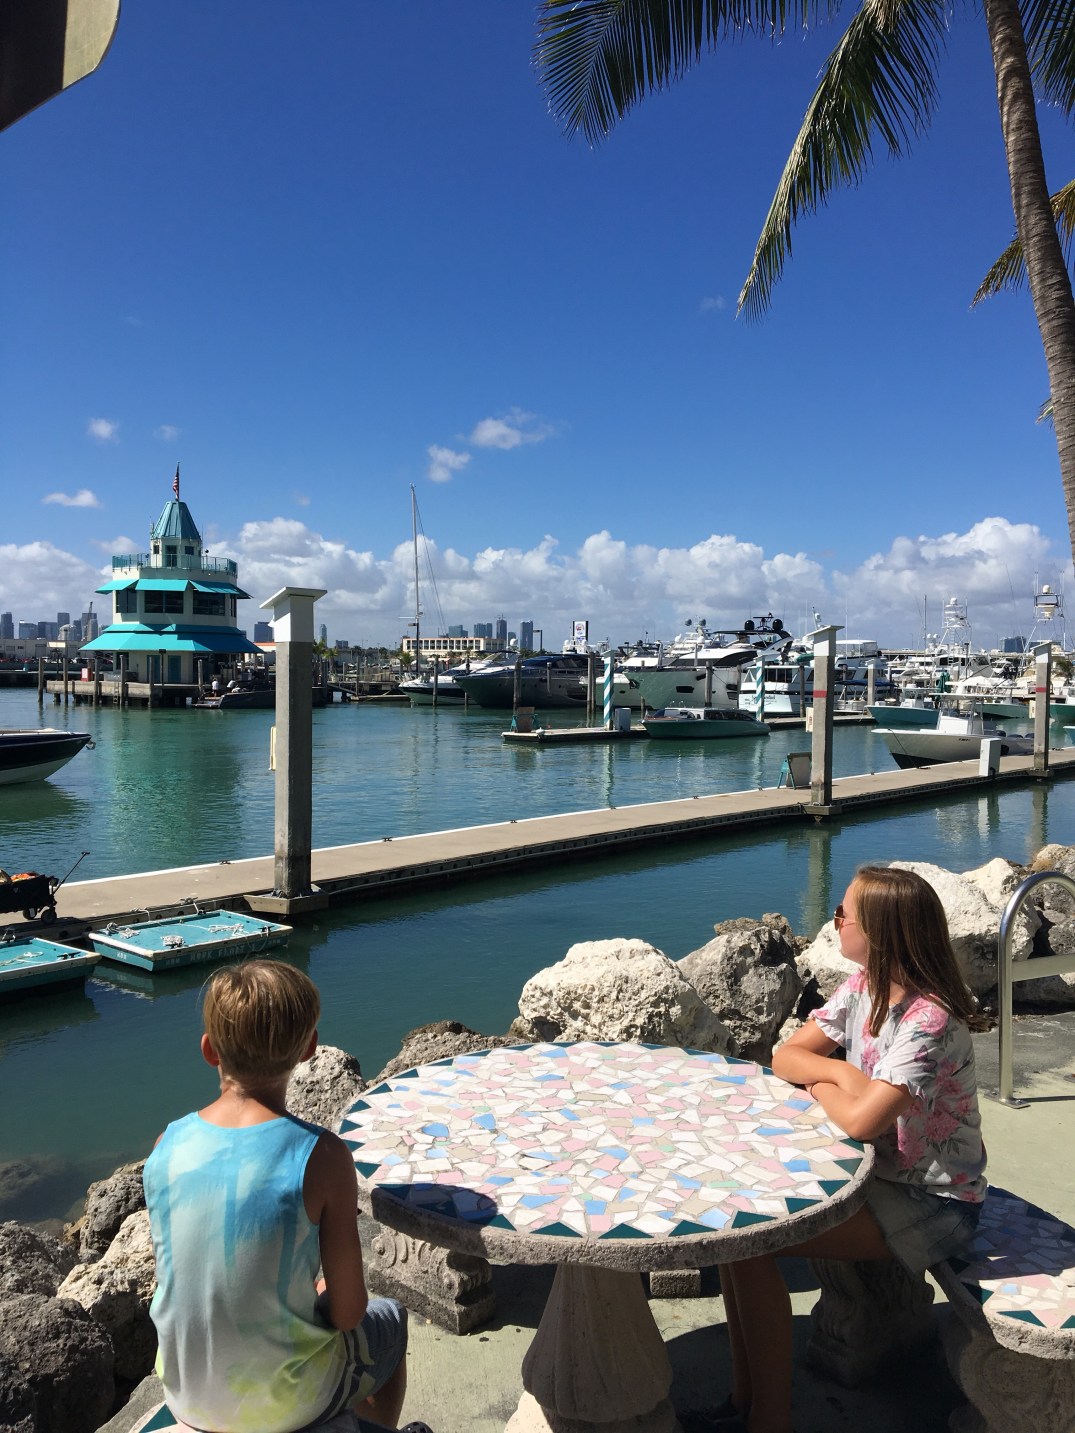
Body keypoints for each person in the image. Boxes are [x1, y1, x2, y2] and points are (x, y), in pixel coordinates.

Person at [715, 865, 988, 1433]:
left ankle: (768, 1420)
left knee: (748, 1244)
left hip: (934, 1200)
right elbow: (786, 1057)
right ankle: (741, 1398)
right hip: (878, 1175)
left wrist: (823, 1087)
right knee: (733, 1231)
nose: (834, 921)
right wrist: (839, 1074)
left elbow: (863, 1122)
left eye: (843, 914)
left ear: (880, 934)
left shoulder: (929, 1020)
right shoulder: (864, 987)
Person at [143, 960, 419, 1433]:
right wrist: (320, 1295)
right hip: (288, 1404)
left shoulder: (165, 1146)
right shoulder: (322, 1155)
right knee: (390, 1319)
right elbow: (349, 1312)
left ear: (209, 1050)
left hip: (187, 1395)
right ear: (310, 1048)